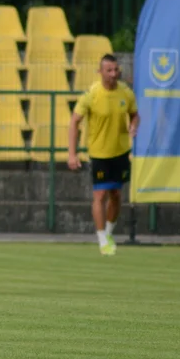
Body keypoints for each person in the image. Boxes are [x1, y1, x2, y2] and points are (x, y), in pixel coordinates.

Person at [67, 54, 139, 256]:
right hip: (99, 153)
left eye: (116, 70)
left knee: (116, 195)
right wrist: (72, 154)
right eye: (109, 70)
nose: (114, 74)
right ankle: (101, 239)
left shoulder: (126, 93)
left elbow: (135, 114)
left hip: (121, 152)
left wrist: (134, 126)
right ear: (100, 72)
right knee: (100, 194)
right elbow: (74, 122)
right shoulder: (91, 95)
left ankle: (108, 233)